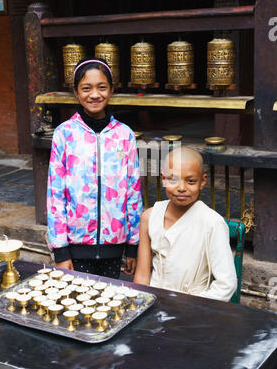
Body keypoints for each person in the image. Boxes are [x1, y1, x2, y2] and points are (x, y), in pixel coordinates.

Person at [47, 57, 142, 279]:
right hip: (74, 246)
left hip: (114, 246)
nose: (95, 95)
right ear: (76, 92)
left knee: (107, 307)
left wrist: (133, 245)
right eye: (86, 88)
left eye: (102, 87)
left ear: (111, 89)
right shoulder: (64, 134)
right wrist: (60, 249)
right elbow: (55, 195)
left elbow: (133, 191)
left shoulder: (124, 135)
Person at [133, 146, 237, 302]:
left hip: (193, 307)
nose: (181, 188)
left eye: (190, 181)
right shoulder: (149, 217)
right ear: (163, 179)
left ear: (203, 181)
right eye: (173, 179)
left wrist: (189, 309)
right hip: (153, 303)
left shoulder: (212, 223)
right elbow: (142, 276)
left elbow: (226, 285)